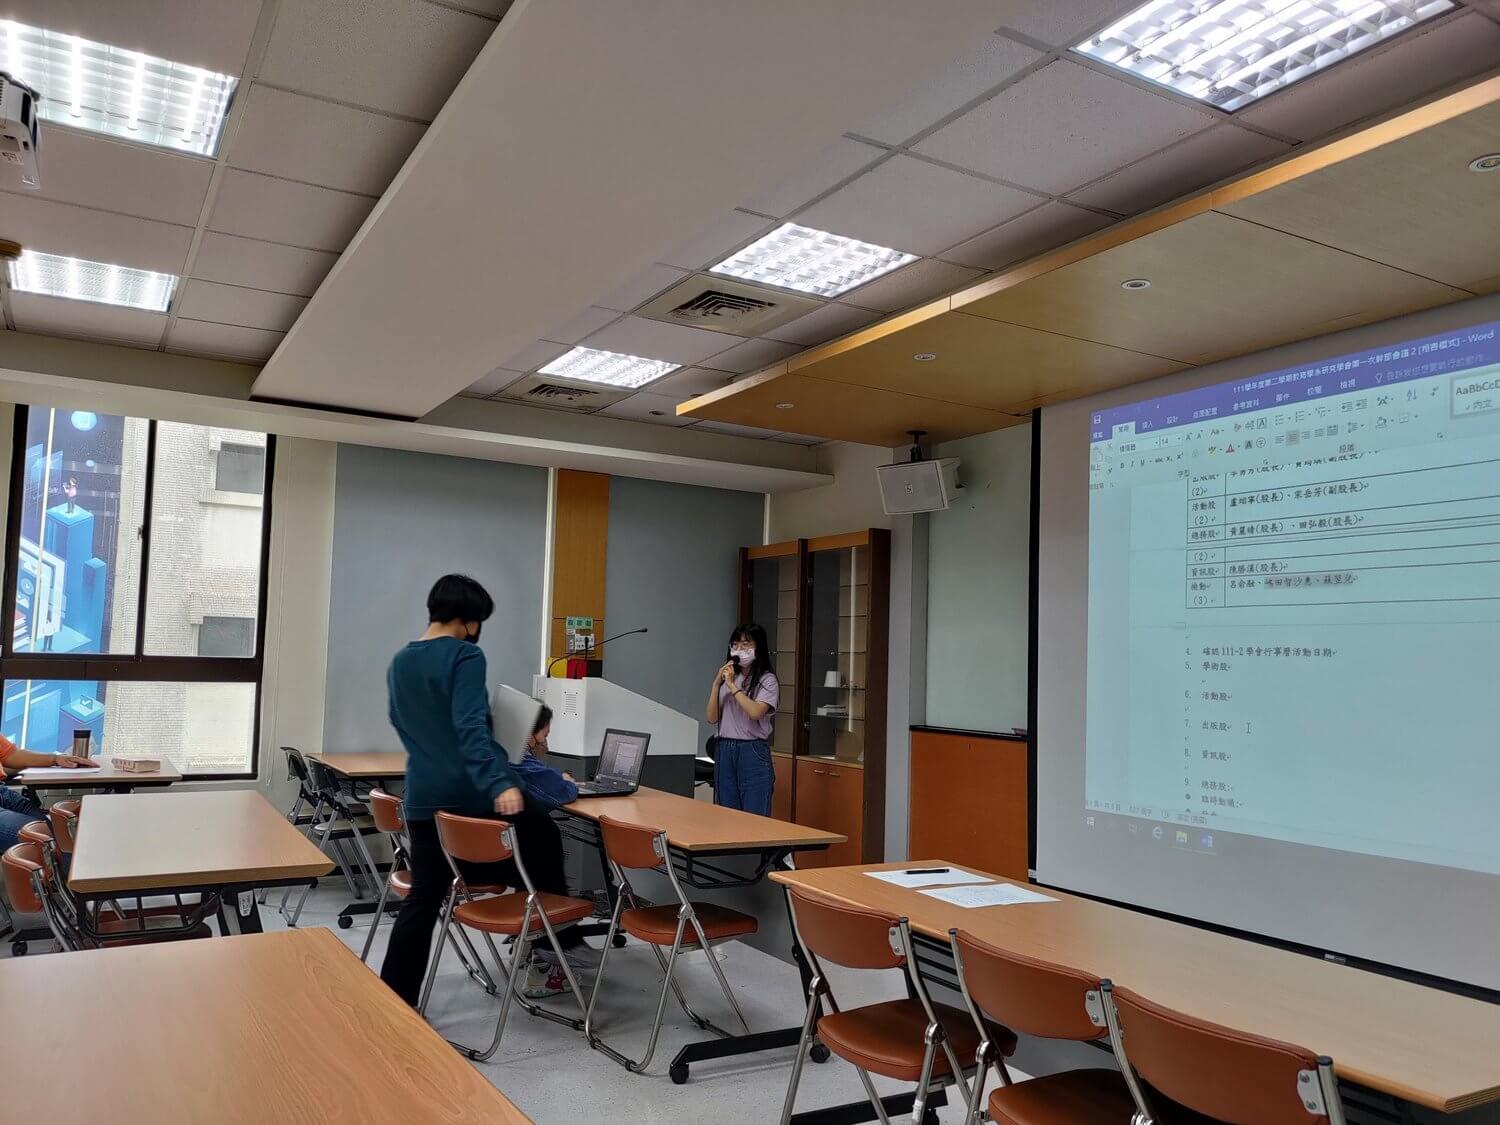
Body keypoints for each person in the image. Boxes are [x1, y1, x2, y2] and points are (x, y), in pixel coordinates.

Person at [378, 574, 530, 1007]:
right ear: (468, 619)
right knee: (543, 833)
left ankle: (395, 1001)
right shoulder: (466, 655)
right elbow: (470, 726)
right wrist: (499, 781)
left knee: (424, 898)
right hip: (468, 794)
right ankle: (557, 947)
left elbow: (399, 719)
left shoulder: (401, 660)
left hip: (422, 796)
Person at [705, 623, 779, 816]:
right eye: (735, 644)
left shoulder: (767, 680)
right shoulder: (729, 677)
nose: (739, 649)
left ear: (758, 647)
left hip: (752, 750)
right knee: (727, 814)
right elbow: (711, 718)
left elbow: (755, 712)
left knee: (754, 815)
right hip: (725, 748)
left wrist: (732, 686)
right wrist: (716, 685)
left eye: (746, 644)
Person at [0, 735, 98, 850]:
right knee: (47, 839)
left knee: (64, 832)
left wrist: (56, 759)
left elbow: (11, 755)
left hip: (3, 793)